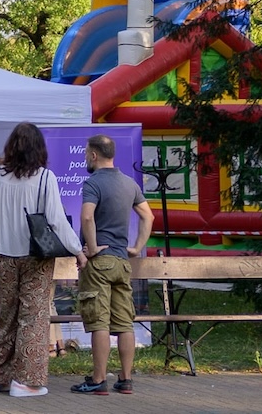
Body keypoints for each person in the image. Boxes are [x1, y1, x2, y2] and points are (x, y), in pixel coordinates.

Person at [0, 122, 86, 398]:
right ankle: (25, 381)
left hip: (4, 254)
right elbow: (56, 220)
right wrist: (77, 249)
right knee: (33, 317)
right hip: (36, 256)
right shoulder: (45, 178)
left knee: (6, 315)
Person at [71, 134, 155, 395]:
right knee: (124, 323)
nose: (86, 157)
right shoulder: (129, 184)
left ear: (94, 155)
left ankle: (98, 380)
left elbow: (86, 217)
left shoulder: (93, 183)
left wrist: (93, 248)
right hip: (122, 261)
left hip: (100, 262)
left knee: (99, 322)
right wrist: (137, 248)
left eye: (87, 153)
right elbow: (148, 216)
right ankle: (126, 379)